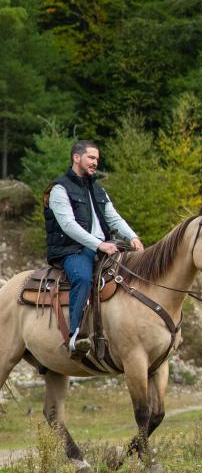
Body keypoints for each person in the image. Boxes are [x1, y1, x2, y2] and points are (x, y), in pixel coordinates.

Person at [43, 140, 144, 354]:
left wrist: (133, 237)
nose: (95, 162)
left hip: (103, 247)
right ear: (76, 157)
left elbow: (114, 218)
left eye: (97, 159)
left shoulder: (97, 190)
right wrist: (99, 244)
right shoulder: (59, 189)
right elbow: (68, 225)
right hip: (72, 249)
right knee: (82, 278)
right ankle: (75, 336)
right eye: (91, 157)